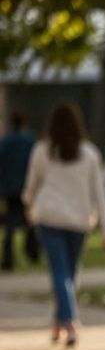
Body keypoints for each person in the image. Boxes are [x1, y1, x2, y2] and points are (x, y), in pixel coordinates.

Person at [21, 103, 105, 346]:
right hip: (79, 221)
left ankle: (58, 321)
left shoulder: (42, 151)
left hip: (50, 217)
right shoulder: (90, 153)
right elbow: (100, 193)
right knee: (67, 274)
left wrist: (29, 204)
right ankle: (70, 322)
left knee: (63, 275)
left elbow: (31, 187)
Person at [1, 110, 39, 270]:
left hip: (9, 187)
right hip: (27, 186)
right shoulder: (31, 142)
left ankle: (8, 256)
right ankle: (32, 252)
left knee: (10, 221)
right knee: (30, 219)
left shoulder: (6, 143)